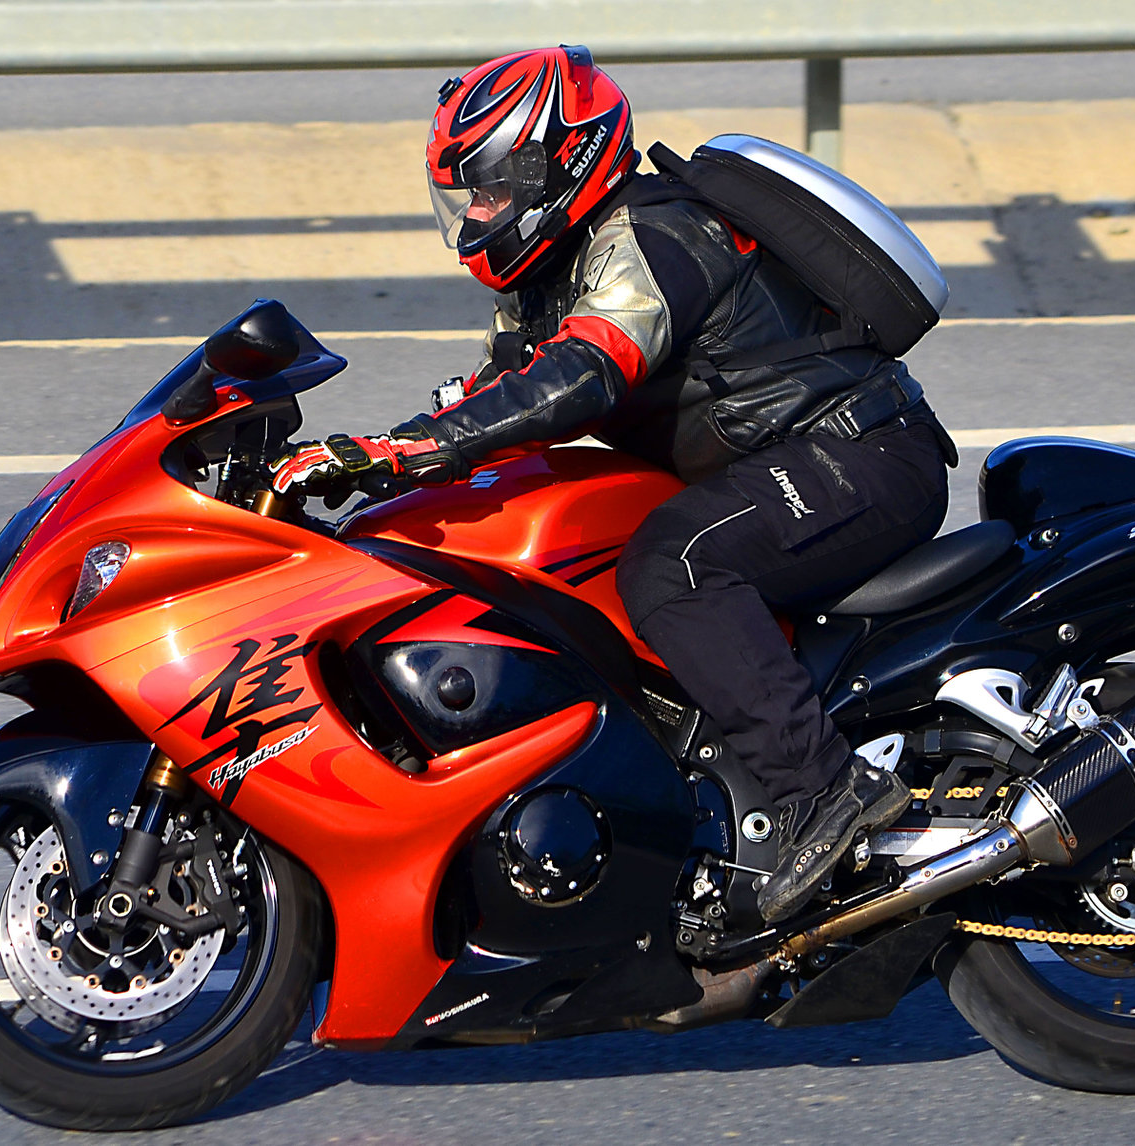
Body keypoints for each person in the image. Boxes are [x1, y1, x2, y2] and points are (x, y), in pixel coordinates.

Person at [271, 45, 955, 924]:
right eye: (465, 196)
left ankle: (825, 793)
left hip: (854, 457)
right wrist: (366, 463)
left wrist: (412, 451)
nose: (477, 214)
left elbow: (583, 376)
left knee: (675, 567)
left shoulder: (650, 235)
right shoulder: (546, 281)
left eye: (489, 188)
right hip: (781, 468)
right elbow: (495, 397)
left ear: (563, 162)